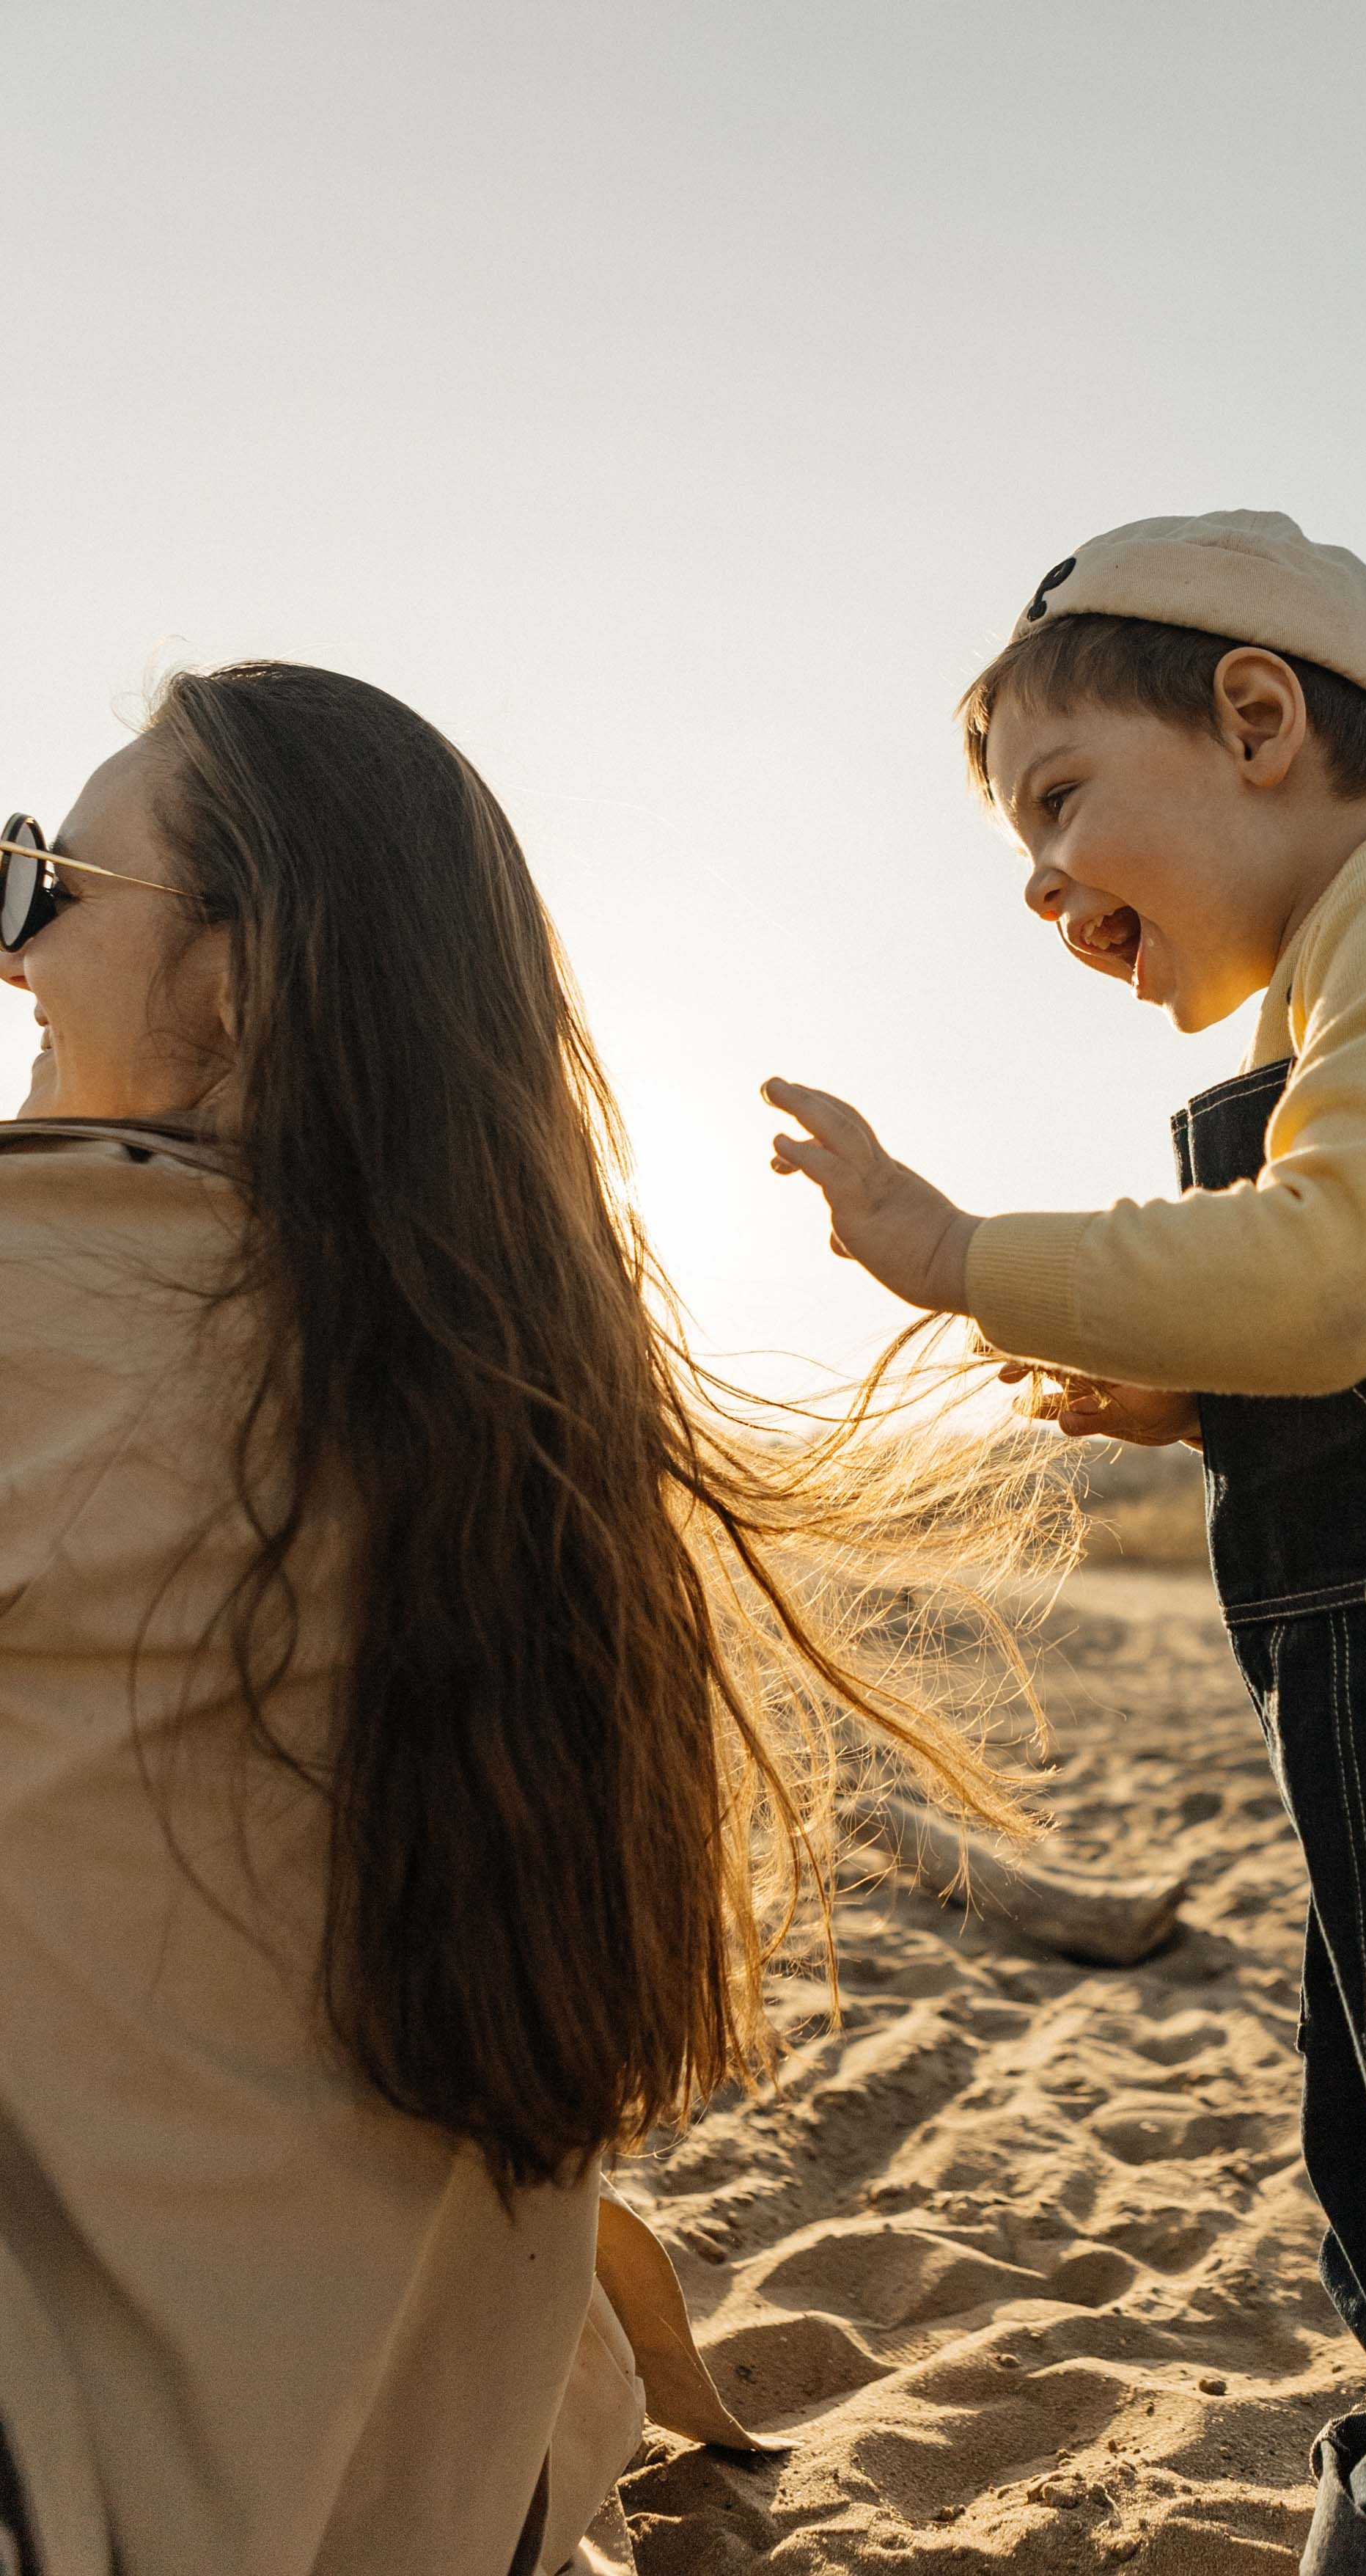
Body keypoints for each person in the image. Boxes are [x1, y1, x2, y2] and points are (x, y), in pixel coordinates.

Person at [0, 663, 1057, 2576]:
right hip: (438, 2498)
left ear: (244, 978)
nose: (13, 956)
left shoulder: (50, 1284)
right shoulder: (531, 1409)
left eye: (43, 881)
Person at [764, 509, 1366, 2576]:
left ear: (1262, 721)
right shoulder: (1362, 997)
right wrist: (1202, 1393)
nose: (1036, 884)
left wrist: (954, 1255)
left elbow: (1339, 1268)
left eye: (1060, 801)